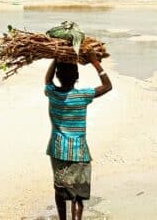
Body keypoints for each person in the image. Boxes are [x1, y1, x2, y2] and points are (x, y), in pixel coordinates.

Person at [43, 53, 113, 220]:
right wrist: (95, 62)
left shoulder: (52, 93)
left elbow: (47, 80)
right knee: (77, 194)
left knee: (60, 189)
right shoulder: (83, 95)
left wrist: (55, 58)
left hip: (58, 149)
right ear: (77, 77)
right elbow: (107, 86)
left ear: (58, 76)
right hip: (79, 151)